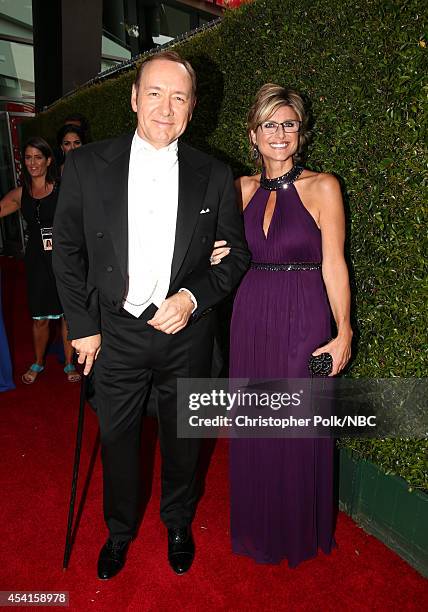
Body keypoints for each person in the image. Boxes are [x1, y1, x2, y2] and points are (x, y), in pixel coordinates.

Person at [52, 50, 250, 580]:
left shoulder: (215, 173)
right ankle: (119, 531)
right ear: (135, 98)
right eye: (156, 94)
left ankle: (179, 522)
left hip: (187, 335)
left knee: (184, 440)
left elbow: (236, 257)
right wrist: (85, 326)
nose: (166, 107)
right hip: (114, 333)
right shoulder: (88, 165)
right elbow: (66, 250)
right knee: (116, 441)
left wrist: (191, 299)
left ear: (192, 108)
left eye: (179, 97)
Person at [226, 84, 352, 567]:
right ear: (253, 134)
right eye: (269, 125)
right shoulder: (239, 189)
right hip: (251, 314)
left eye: (289, 124)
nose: (280, 134)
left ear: (300, 132)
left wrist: (343, 331)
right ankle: (258, 524)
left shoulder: (323, 186)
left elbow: (335, 263)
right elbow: (226, 256)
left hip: (304, 314)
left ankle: (297, 529)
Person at [0, 137, 81, 384]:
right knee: (40, 317)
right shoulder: (20, 194)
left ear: (48, 160)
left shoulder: (63, 189)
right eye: (28, 157)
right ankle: (38, 361)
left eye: (38, 157)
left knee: (68, 314)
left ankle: (69, 363)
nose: (33, 163)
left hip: (65, 259)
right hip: (37, 261)